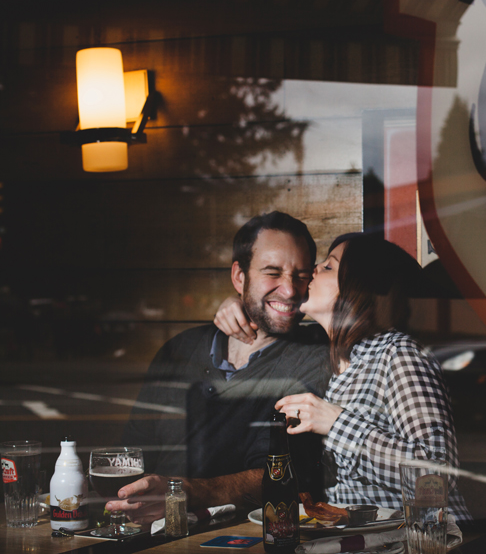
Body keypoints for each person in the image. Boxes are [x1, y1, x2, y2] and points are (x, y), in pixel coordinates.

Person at [216, 233, 471, 521]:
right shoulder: (325, 357)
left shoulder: (397, 354)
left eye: (328, 267)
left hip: (421, 543)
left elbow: (438, 477)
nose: (313, 270)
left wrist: (337, 425)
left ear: (357, 287)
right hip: (359, 540)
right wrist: (235, 303)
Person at [108, 212, 331, 525]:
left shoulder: (313, 354)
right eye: (272, 272)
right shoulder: (180, 350)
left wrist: (182, 492)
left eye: (301, 275)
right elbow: (133, 454)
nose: (291, 290)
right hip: (146, 532)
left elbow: (284, 472)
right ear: (239, 277)